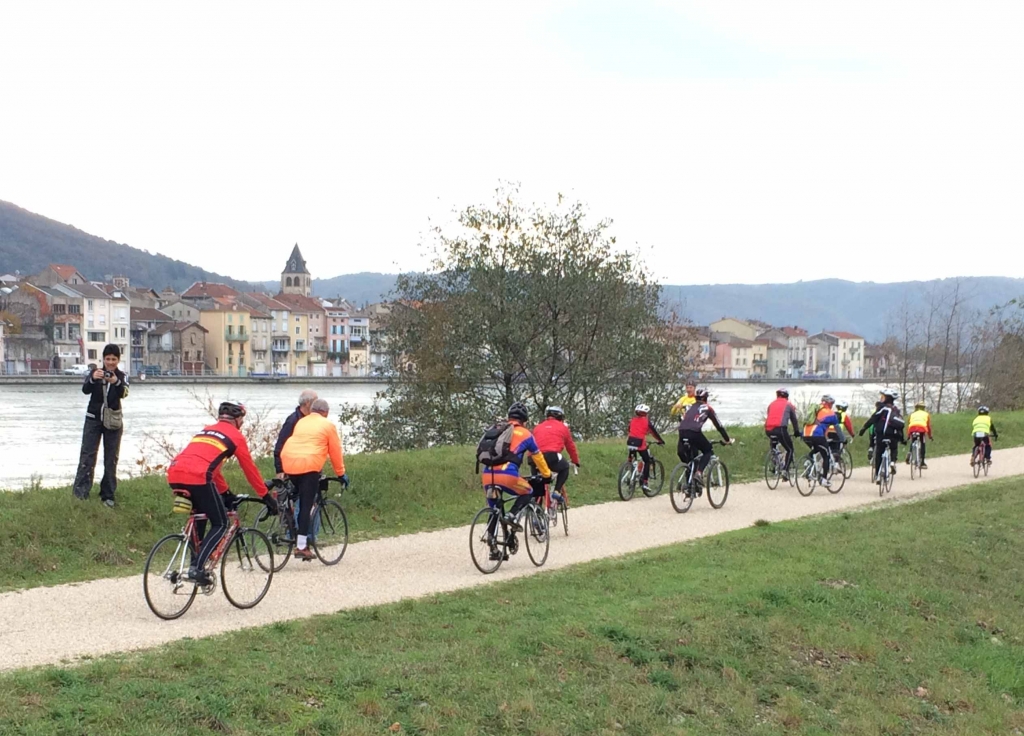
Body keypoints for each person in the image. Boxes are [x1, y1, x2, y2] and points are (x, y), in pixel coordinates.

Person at [167, 401, 278, 586]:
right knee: (221, 523)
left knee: (200, 516)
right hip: (198, 477)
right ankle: (197, 569)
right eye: (242, 420)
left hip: (174, 473)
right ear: (238, 420)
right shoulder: (236, 437)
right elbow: (249, 470)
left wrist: (226, 493)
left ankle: (195, 562)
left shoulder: (206, 431)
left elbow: (213, 468)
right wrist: (265, 496)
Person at [481, 403, 552, 560]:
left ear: (509, 418)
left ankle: (493, 545)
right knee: (528, 491)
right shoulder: (526, 433)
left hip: (487, 475)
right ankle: (513, 515)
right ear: (524, 420)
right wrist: (547, 474)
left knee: (495, 509)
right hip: (508, 476)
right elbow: (538, 456)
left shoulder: (499, 431)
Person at [280, 398, 348, 560]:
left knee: (296, 496)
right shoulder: (328, 425)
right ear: (326, 413)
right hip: (309, 466)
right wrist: (341, 473)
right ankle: (302, 546)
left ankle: (288, 525)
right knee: (306, 504)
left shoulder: (302, 422)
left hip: (288, 462)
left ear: (312, 410)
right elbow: (335, 451)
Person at [73, 344, 129, 507]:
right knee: (87, 455)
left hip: (113, 421)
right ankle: (80, 493)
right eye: (107, 359)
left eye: (114, 359)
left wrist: (116, 382)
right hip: (93, 419)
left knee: (111, 458)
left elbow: (125, 393)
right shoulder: (95, 373)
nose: (110, 362)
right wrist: (93, 379)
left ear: (118, 360)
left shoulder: (122, 376)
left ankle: (108, 495)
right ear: (103, 359)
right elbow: (85, 390)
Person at [677, 389, 734, 488]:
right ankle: (699, 473)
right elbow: (719, 426)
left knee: (692, 459)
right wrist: (727, 439)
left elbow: (682, 419)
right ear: (706, 399)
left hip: (682, 432)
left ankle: (690, 486)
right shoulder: (708, 408)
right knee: (707, 450)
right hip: (694, 432)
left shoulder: (689, 407)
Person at [531, 406, 580, 504]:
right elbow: (570, 447)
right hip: (551, 456)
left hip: (533, 458)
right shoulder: (563, 427)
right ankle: (557, 491)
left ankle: (536, 510)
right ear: (561, 417)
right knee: (565, 466)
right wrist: (575, 461)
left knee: (538, 483)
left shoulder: (537, 427)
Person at [859, 390, 905, 482]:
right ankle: (892, 462)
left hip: (881, 434)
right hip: (893, 435)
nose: (881, 399)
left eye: (883, 397)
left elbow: (872, 419)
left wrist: (863, 429)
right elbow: (900, 426)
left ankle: (877, 475)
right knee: (894, 448)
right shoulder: (896, 410)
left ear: (887, 398)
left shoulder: (882, 409)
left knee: (879, 453)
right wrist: (902, 439)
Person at [273, 389, 318, 479]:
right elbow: (280, 445)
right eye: (316, 402)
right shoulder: (292, 421)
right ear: (308, 403)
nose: (317, 405)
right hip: (293, 469)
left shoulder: (312, 419)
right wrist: (280, 469)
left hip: (309, 468)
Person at [764, 388, 801, 480]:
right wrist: (796, 431)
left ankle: (774, 462)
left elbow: (770, 416)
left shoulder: (771, 404)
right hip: (780, 429)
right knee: (790, 449)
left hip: (768, 429)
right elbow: (794, 420)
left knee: (774, 445)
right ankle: (785, 470)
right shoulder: (789, 405)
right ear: (787, 396)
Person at [806, 396, 842, 487]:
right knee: (826, 456)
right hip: (817, 435)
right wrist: (843, 439)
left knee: (817, 449)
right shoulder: (830, 413)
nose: (832, 406)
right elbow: (838, 429)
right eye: (832, 404)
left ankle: (808, 463)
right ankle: (824, 479)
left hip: (806, 434)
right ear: (829, 404)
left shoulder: (815, 410)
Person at [628, 404, 665, 491]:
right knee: (647, 461)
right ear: (646, 413)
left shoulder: (632, 420)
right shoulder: (646, 422)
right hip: (640, 444)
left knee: (632, 458)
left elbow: (629, 429)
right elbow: (654, 433)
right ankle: (645, 482)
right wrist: (660, 441)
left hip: (630, 442)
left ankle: (629, 468)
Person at [906, 401, 933, 469]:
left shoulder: (912, 414)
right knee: (922, 444)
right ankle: (922, 462)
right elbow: (928, 426)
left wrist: (908, 436)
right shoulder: (926, 414)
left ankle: (910, 453)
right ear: (924, 408)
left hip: (912, 429)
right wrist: (930, 436)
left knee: (913, 441)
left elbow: (909, 424)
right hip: (922, 429)